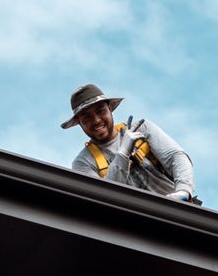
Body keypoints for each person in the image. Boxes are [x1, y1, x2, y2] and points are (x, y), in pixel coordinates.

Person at [63, 84, 198, 202]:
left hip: (178, 212)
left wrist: (183, 191)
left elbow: (176, 156)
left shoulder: (142, 129)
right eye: (87, 117)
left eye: (100, 111)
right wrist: (123, 153)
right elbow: (103, 198)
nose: (97, 120)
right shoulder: (83, 163)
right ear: (80, 124)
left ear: (110, 109)